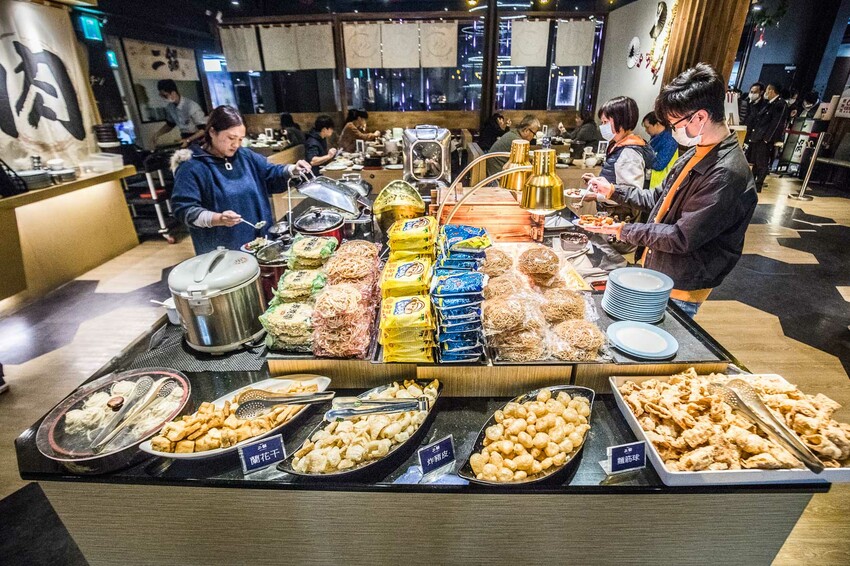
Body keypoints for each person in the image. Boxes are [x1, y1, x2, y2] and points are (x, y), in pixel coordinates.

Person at [581, 63, 758, 318]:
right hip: (658, 271)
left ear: (700, 117)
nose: (673, 129)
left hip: (680, 285)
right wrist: (613, 191)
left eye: (675, 122)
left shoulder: (726, 173)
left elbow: (681, 237)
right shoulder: (695, 153)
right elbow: (657, 197)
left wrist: (622, 229)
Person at [171, 106, 311, 255]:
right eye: (231, 138)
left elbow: (270, 173)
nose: (236, 145)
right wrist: (218, 218)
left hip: (260, 243)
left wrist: (292, 170)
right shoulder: (192, 166)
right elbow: (184, 209)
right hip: (223, 252)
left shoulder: (245, 156)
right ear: (212, 132)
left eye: (240, 139)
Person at [749, 83, 788, 192]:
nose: (766, 92)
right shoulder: (768, 103)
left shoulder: (781, 104)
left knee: (762, 162)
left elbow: (777, 123)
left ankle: (758, 184)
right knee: (756, 161)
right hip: (758, 135)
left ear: (771, 90)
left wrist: (768, 138)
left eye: (767, 90)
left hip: (766, 138)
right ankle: (751, 183)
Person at [151, 79, 206, 148]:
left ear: (173, 93)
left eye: (165, 96)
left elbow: (203, 130)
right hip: (184, 137)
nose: (163, 98)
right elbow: (170, 124)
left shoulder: (191, 106)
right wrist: (157, 134)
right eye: (161, 96)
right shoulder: (170, 107)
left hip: (198, 139)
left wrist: (188, 140)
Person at [642, 111, 679, 189]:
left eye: (647, 127)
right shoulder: (656, 137)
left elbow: (659, 165)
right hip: (651, 181)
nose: (646, 130)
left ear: (657, 124)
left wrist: (644, 155)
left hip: (660, 185)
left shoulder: (670, 140)